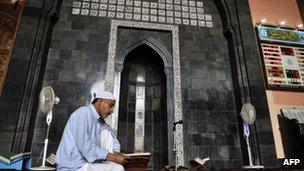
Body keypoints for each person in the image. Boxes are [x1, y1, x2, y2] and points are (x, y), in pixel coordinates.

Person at [56, 91, 125, 171]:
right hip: (73, 166)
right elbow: (84, 145)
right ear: (100, 102)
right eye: (111, 105)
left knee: (116, 166)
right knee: (117, 169)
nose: (112, 110)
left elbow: (111, 135)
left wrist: (117, 152)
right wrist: (111, 156)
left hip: (85, 164)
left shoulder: (99, 120)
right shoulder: (83, 112)